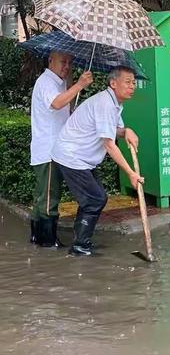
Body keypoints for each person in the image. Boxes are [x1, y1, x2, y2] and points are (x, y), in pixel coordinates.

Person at [52, 66, 142, 256]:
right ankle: (79, 246)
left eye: (133, 82)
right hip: (72, 156)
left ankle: (82, 241)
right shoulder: (105, 104)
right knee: (95, 199)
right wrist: (131, 173)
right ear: (113, 83)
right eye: (128, 82)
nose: (132, 86)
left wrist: (127, 131)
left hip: (82, 158)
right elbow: (109, 144)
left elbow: (113, 129)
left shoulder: (113, 103)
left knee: (95, 198)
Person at [30, 51, 93, 247]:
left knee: (43, 196)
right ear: (50, 60)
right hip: (48, 151)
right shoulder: (46, 82)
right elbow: (57, 103)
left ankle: (37, 238)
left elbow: (63, 107)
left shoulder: (58, 82)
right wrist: (80, 84)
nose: (66, 66)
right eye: (63, 62)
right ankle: (48, 242)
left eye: (70, 62)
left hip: (54, 149)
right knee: (49, 198)